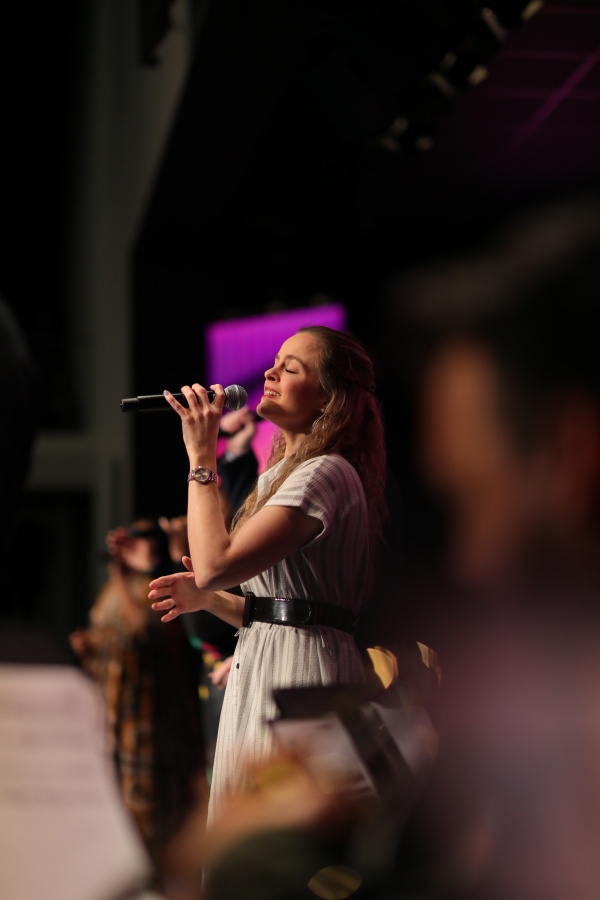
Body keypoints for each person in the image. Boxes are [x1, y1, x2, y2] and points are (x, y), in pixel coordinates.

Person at [148, 325, 387, 824]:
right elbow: (282, 610)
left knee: (280, 837)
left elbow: (215, 566)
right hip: (265, 664)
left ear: (329, 399)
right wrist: (210, 600)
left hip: (300, 676)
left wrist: (201, 457)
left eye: (290, 368)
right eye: (275, 362)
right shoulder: (281, 474)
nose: (270, 373)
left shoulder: (326, 473)